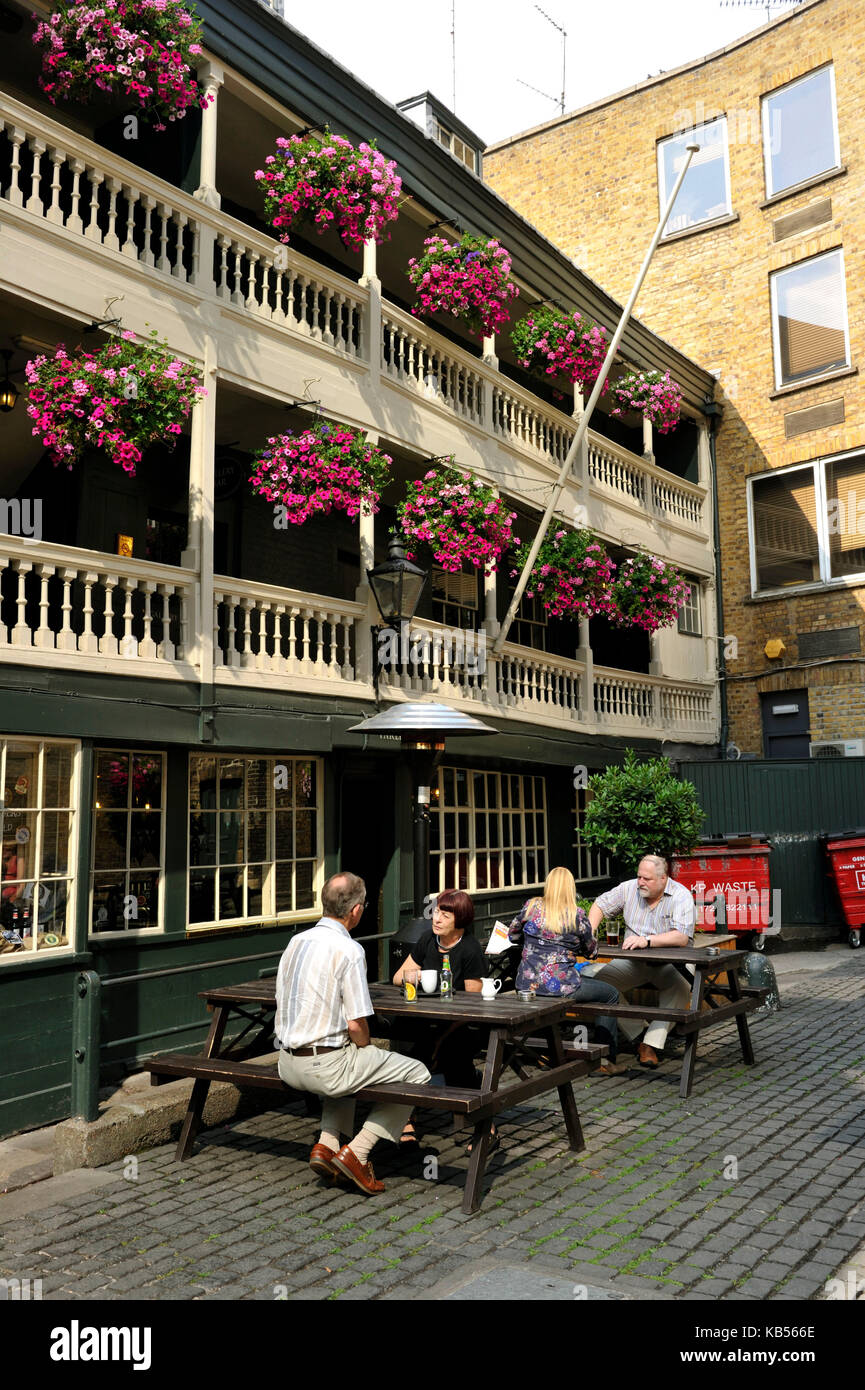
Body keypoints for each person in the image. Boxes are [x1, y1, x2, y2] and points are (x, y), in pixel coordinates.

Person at [275, 870, 430, 1196]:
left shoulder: (295, 942)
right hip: (325, 1068)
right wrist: (366, 1048)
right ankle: (357, 1154)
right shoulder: (349, 951)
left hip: (286, 1063)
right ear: (356, 911)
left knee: (348, 1060)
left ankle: (327, 1142)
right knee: (417, 1072)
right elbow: (357, 1025)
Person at [392, 890, 492, 1149]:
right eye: (436, 912)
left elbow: (474, 1003)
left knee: (451, 1056)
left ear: (459, 920)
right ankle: (406, 1117)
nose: (436, 919)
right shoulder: (427, 940)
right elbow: (397, 977)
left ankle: (485, 1127)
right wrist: (411, 977)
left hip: (462, 1025)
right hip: (428, 1021)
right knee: (404, 1047)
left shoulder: (469, 949)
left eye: (444, 915)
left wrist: (442, 1038)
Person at [508, 866, 627, 1076]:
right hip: (561, 986)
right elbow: (591, 952)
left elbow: (512, 936)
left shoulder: (531, 907)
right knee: (610, 995)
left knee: (546, 1002)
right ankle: (604, 1060)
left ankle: (544, 1055)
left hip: (526, 985)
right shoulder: (576, 915)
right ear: (571, 888)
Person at [587, 854, 695, 1069]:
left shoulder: (680, 895)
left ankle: (650, 1044)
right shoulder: (629, 888)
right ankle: (640, 1033)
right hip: (634, 963)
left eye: (647, 879)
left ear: (663, 879)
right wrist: (589, 933)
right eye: (639, 877)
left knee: (682, 986)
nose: (641, 883)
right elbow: (600, 905)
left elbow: (681, 936)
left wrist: (647, 941)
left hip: (671, 963)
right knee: (601, 988)